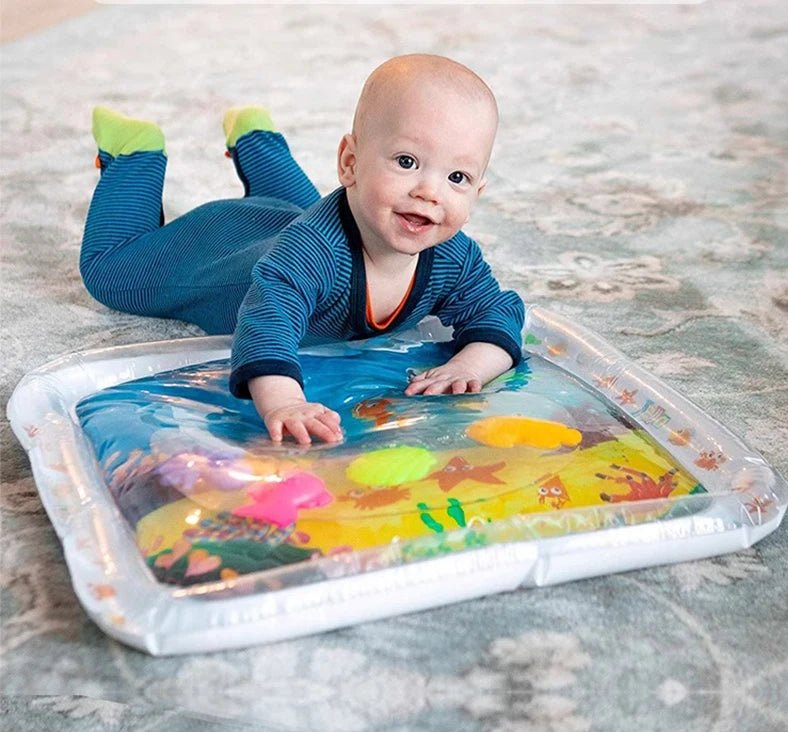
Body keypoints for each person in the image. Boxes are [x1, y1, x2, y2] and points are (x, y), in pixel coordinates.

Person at [80, 54, 525, 445]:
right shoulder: (311, 254)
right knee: (112, 275)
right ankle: (135, 155)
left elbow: (498, 313)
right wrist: (285, 403)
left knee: (317, 209)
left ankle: (256, 139)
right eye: (407, 162)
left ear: (478, 191)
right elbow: (265, 327)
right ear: (349, 163)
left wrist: (469, 364)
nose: (430, 192)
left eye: (457, 178)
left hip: (291, 216)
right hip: (222, 247)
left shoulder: (452, 257)